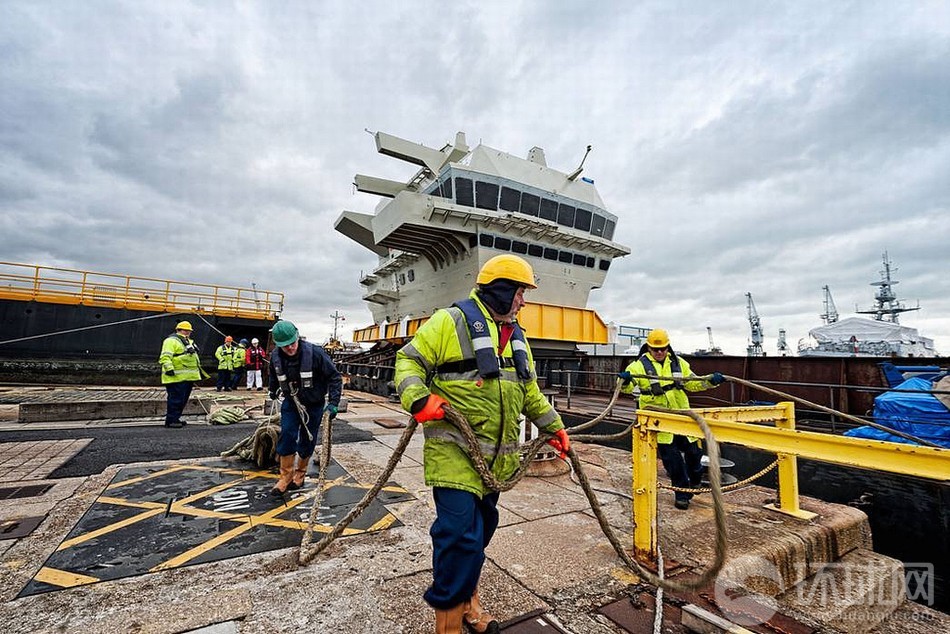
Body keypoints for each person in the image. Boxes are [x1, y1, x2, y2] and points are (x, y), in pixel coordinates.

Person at [394, 254, 570, 634]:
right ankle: (448, 626)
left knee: (480, 534)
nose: (524, 301)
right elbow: (408, 363)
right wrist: (420, 400)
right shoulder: (449, 321)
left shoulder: (516, 337)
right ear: (503, 290)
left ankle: (470, 606)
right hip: (454, 453)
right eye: (521, 292)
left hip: (495, 463)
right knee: (458, 536)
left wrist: (553, 426)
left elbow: (529, 392)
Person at [618, 329, 724, 510]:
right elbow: (625, 389)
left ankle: (696, 480)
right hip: (659, 421)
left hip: (682, 418)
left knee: (694, 454)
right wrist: (626, 381)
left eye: (662, 349)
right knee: (673, 461)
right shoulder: (637, 367)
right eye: (655, 349)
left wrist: (711, 381)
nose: (659, 352)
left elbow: (693, 383)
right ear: (648, 348)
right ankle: (682, 494)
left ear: (668, 347)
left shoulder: (679, 364)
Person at [267, 320, 342, 496]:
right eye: (285, 346)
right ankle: (285, 477)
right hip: (292, 403)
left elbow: (335, 377)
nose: (290, 348)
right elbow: (273, 375)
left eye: (292, 343)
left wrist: (333, 403)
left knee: (308, 439)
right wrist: (272, 390)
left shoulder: (315, 354)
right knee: (287, 434)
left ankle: (300, 474)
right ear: (279, 345)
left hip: (314, 404)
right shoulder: (276, 357)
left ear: (297, 337)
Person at [158, 320, 205, 429]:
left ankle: (176, 418)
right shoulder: (171, 341)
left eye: (189, 331)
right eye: (185, 330)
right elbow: (165, 356)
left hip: (187, 377)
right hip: (176, 376)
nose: (188, 332)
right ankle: (171, 420)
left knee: (182, 399)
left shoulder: (188, 341)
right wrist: (169, 368)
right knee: (176, 399)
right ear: (178, 330)